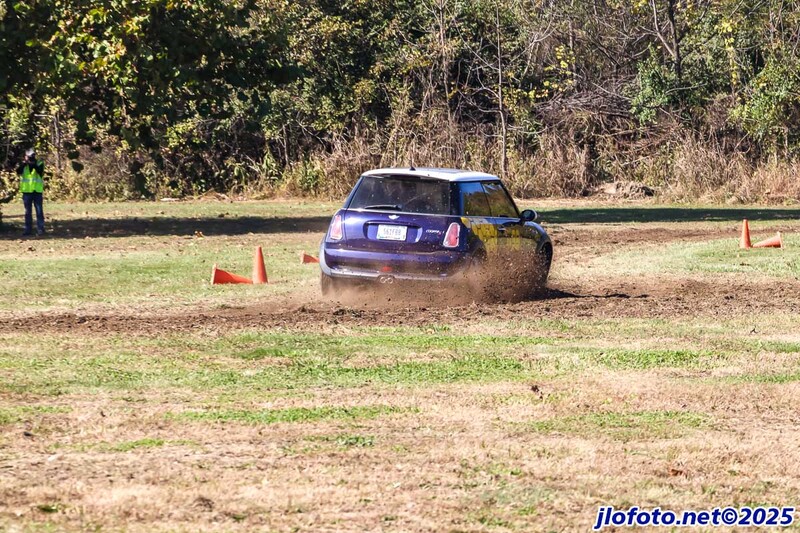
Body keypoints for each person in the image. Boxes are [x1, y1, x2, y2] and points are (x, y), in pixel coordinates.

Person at [16, 148, 45, 236]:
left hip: (37, 191)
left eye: (32, 156)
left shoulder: (39, 163)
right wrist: (25, 163)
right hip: (27, 191)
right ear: (26, 156)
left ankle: (40, 229)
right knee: (27, 212)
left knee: (39, 211)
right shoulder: (24, 164)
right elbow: (18, 171)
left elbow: (40, 171)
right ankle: (28, 230)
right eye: (29, 157)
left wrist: (33, 164)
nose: (31, 158)